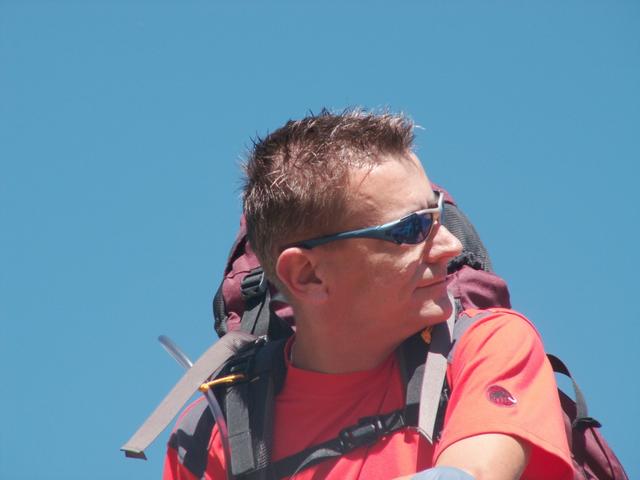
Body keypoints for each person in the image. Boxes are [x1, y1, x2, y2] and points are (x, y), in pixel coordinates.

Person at [164, 110, 573, 479]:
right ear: (308, 275)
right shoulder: (214, 433)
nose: (450, 246)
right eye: (411, 230)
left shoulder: (486, 346)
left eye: (438, 214)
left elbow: (472, 474)